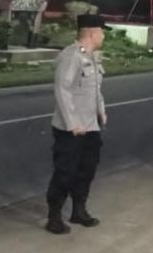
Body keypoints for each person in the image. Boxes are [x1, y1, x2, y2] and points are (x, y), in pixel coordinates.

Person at [46, 13, 109, 235]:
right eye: (102, 32)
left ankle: (78, 211)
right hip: (70, 129)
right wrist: (72, 123)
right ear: (92, 32)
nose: (103, 36)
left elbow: (95, 89)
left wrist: (101, 110)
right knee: (65, 172)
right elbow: (62, 90)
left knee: (86, 170)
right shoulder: (71, 56)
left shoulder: (92, 57)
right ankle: (54, 217)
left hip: (90, 126)